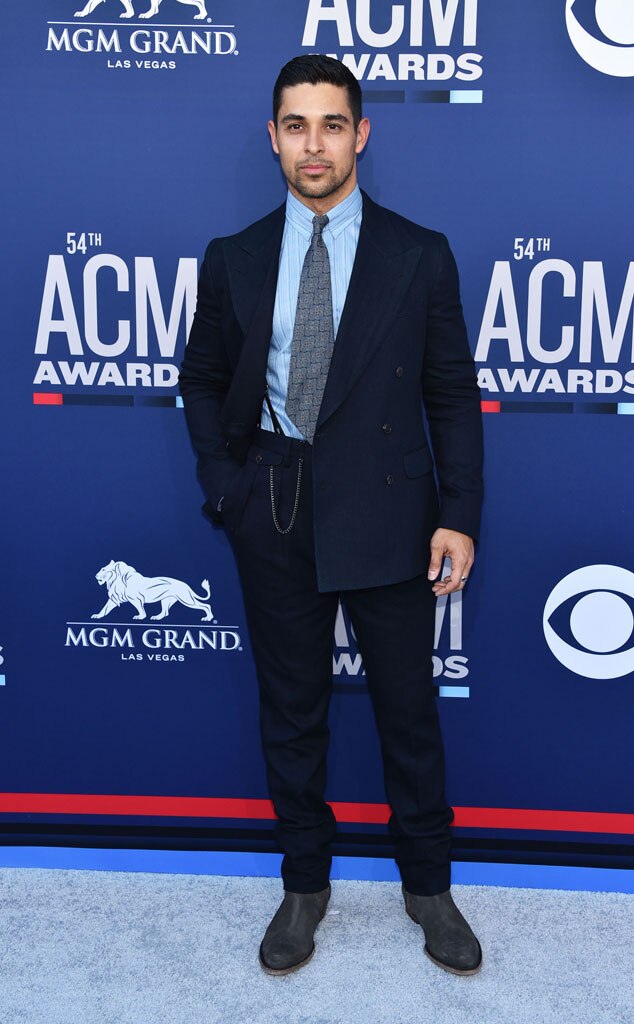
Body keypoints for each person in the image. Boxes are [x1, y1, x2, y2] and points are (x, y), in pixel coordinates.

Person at [178, 54, 484, 978]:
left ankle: (427, 887)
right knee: (292, 709)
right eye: (297, 126)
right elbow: (198, 379)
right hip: (270, 504)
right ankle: (305, 881)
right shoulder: (232, 257)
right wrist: (227, 486)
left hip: (392, 511)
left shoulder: (418, 252)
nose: (315, 145)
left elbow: (451, 394)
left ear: (361, 134)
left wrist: (459, 514)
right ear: (274, 138)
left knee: (408, 713)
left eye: (332, 124)